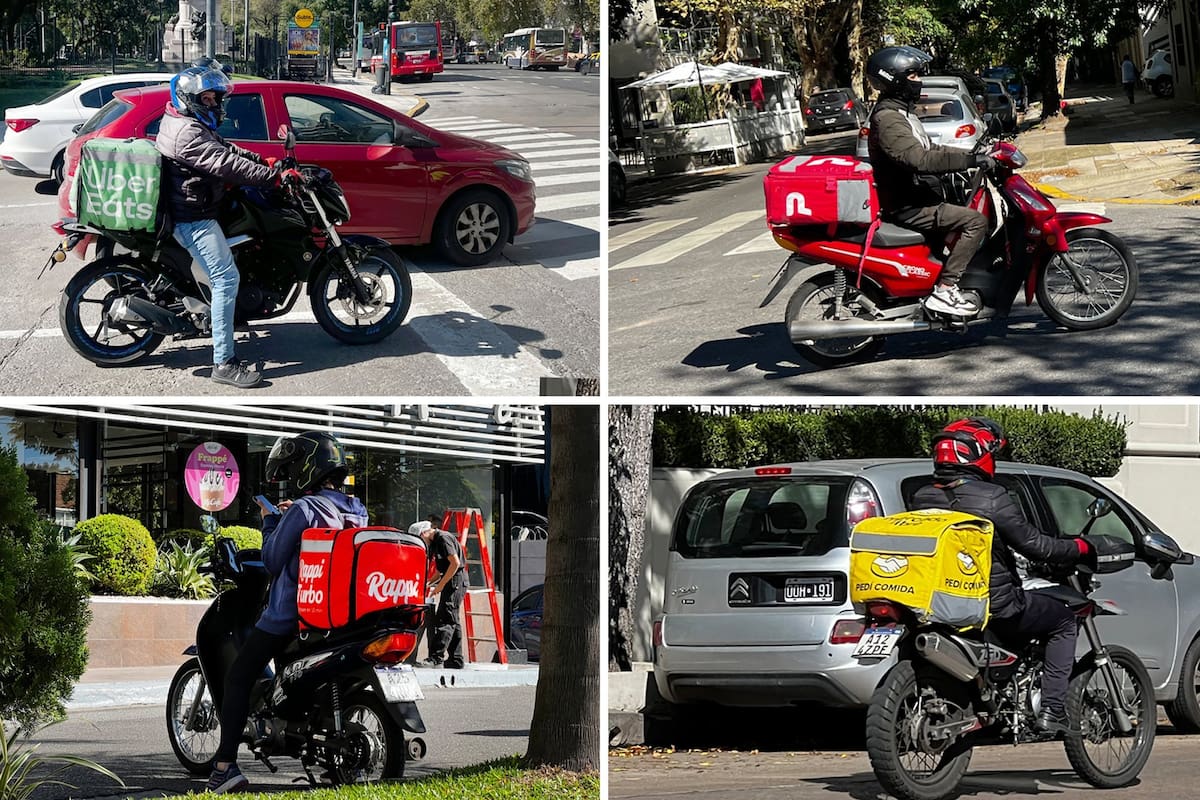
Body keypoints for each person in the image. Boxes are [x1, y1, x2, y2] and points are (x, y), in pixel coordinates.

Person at [206, 431, 367, 793]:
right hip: (338, 617)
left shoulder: (303, 509)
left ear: (306, 468)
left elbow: (272, 560)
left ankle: (224, 766)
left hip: (289, 617)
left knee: (237, 678)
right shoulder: (357, 510)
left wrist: (269, 521)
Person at [911, 417, 1091, 736]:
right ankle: (1051, 710)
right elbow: (1037, 547)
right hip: (993, 606)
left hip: (941, 603)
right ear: (979, 454)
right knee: (1062, 620)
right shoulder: (992, 497)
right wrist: (1078, 547)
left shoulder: (923, 496)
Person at [156, 62, 288, 389]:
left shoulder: (187, 121)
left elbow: (225, 149)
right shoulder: (188, 132)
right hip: (193, 217)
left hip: (197, 205)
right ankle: (224, 363)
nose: (215, 104)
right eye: (210, 99)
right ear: (192, 99)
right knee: (226, 278)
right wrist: (274, 178)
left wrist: (262, 161)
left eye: (216, 99)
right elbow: (224, 163)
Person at [865, 46, 993, 318]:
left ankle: (945, 277)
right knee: (974, 221)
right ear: (894, 80)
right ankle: (945, 290)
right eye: (912, 76)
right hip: (909, 205)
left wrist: (974, 155)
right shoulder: (888, 119)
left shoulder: (901, 112)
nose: (918, 81)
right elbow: (919, 159)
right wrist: (971, 162)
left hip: (917, 196)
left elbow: (932, 149)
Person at [412, 515, 466, 669]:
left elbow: (455, 563)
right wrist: (429, 582)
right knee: (453, 620)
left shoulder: (443, 538)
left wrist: (440, 586)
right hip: (451, 579)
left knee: (445, 618)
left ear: (423, 534)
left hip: (456, 580)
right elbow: (442, 568)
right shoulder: (435, 542)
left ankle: (436, 658)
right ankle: (456, 659)